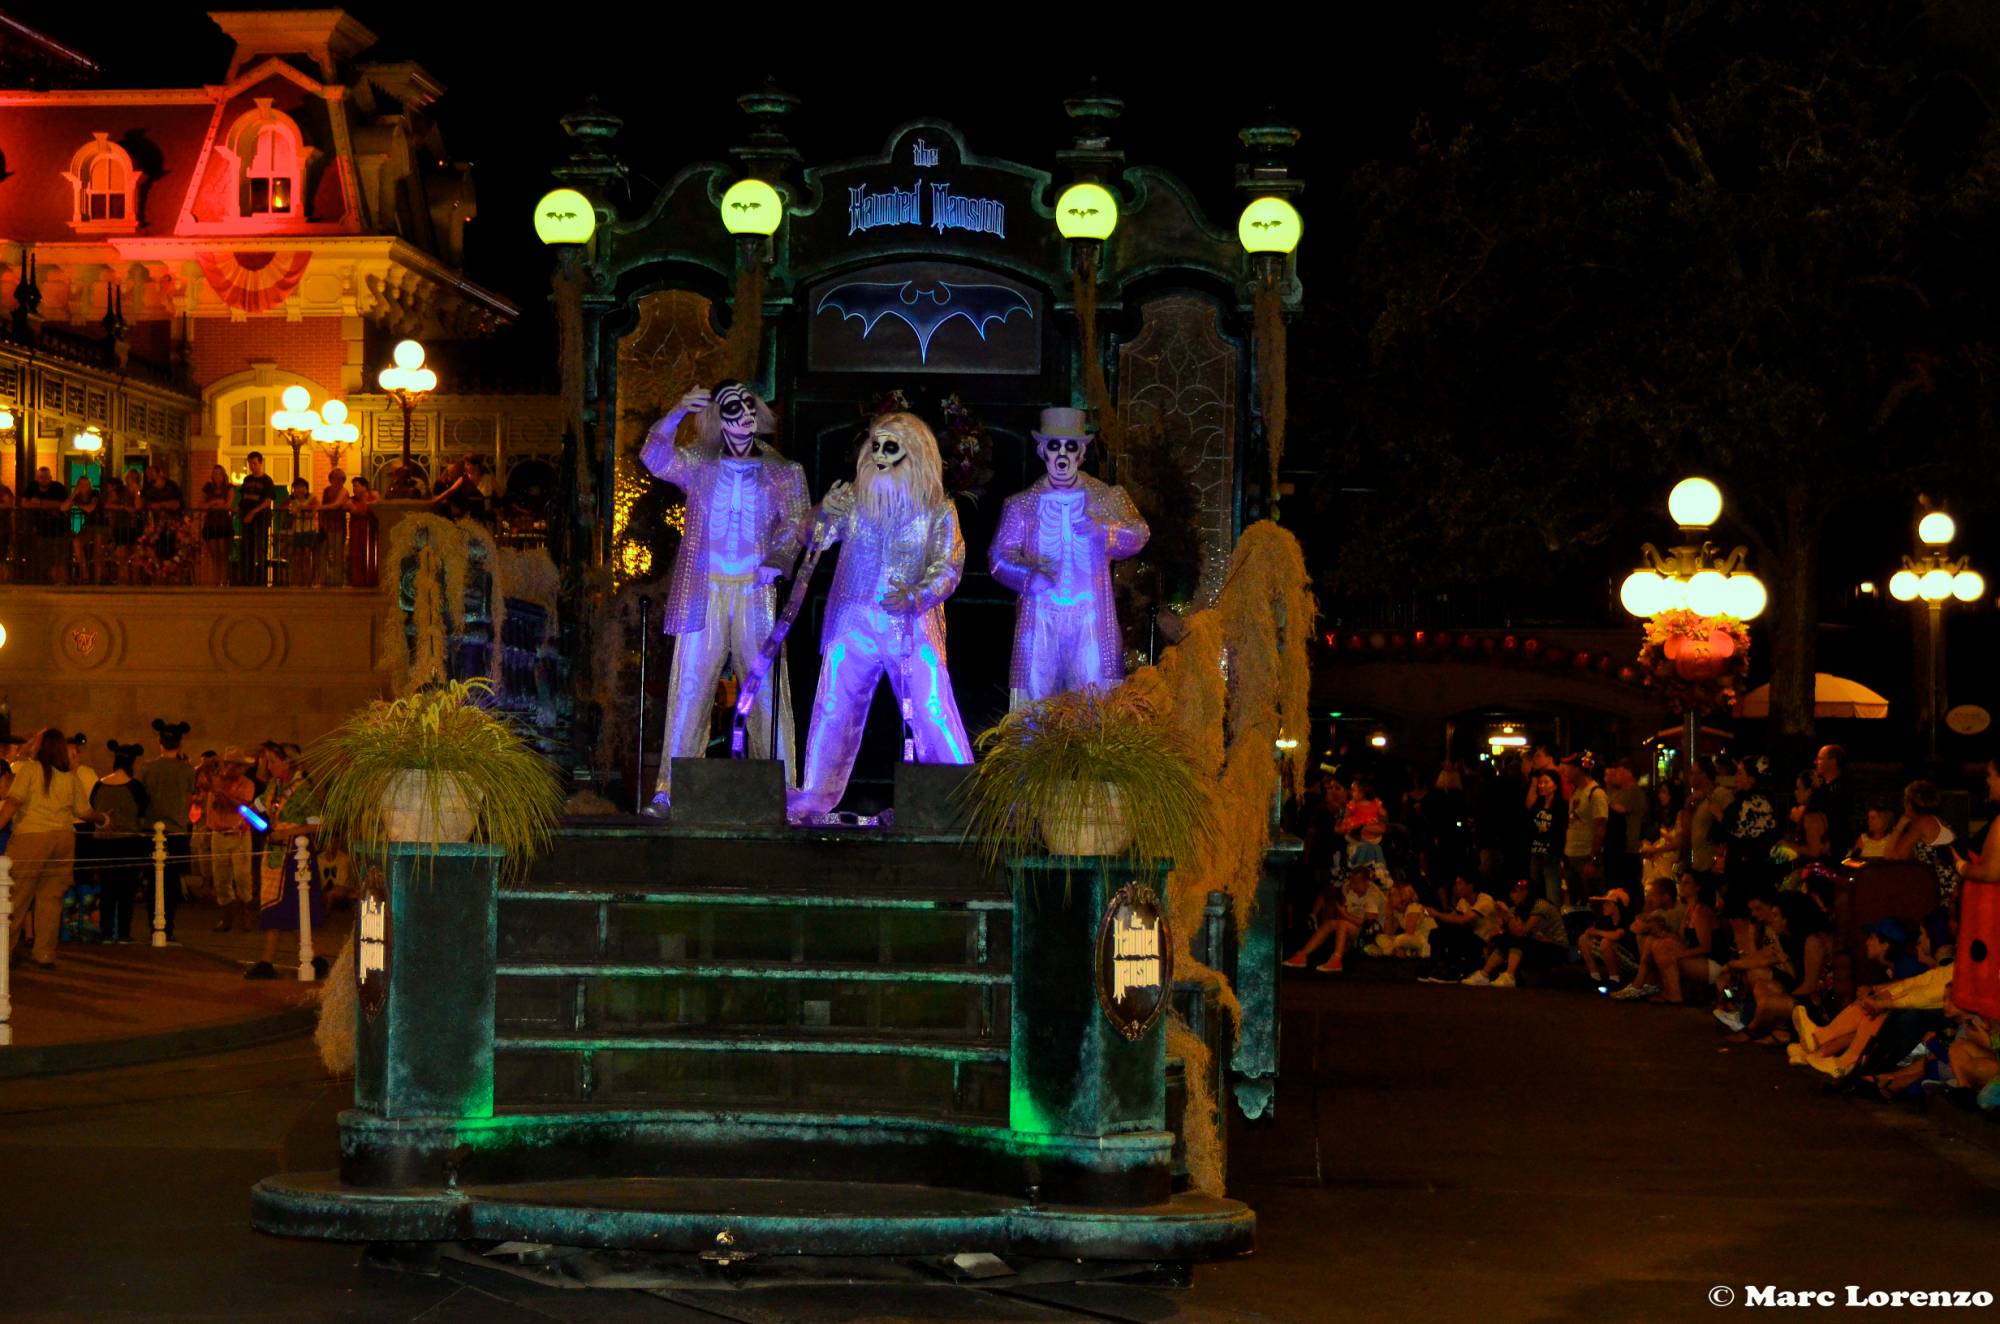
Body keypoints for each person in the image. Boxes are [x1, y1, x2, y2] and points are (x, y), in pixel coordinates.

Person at [788, 412, 973, 821]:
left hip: (911, 626)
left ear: (916, 453)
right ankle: (813, 797)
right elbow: (811, 537)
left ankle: (961, 798)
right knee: (833, 707)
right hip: (852, 622)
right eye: (874, 446)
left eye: (891, 447)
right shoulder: (854, 500)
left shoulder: (938, 509)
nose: (878, 456)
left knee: (932, 707)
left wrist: (916, 596)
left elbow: (949, 566)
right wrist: (823, 510)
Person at [636, 382, 810, 815]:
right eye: (734, 407)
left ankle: (784, 790)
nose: (745, 416)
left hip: (755, 592)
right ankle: (669, 790)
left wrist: (779, 558)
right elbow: (654, 457)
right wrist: (676, 410)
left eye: (750, 406)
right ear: (719, 416)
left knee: (768, 690)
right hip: (705, 591)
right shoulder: (699, 462)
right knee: (690, 687)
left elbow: (796, 525)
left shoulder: (783, 471)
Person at [988, 406, 1149, 708]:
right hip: (1040, 617)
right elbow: (998, 557)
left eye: (1070, 446)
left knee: (1095, 708)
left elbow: (1139, 533)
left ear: (1081, 453)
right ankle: (1029, 755)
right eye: (1054, 445)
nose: (1062, 454)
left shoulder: (1107, 498)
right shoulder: (1021, 505)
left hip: (1091, 618)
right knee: (1033, 710)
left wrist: (1105, 529)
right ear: (1042, 450)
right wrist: (1028, 577)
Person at [0, 729, 112, 968]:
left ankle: (5, 951)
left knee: (16, 898)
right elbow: (84, 812)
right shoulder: (69, 777)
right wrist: (103, 819)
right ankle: (44, 953)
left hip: (31, 837)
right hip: (63, 839)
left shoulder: (30, 769)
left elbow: (13, 802)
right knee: (51, 899)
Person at [250, 743, 326, 978]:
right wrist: (250, 820)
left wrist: (286, 833)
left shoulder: (304, 789)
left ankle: (268, 961)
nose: (269, 766)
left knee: (293, 907)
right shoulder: (275, 786)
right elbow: (255, 809)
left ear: (288, 762)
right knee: (285, 910)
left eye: (273, 761)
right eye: (267, 761)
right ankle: (313, 957)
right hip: (275, 854)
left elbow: (316, 824)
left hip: (295, 856)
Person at [1616, 873, 1724, 1003]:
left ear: (1698, 888)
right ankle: (1642, 984)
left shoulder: (1701, 911)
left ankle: (1671, 993)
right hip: (1697, 959)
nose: (1682, 886)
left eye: (1687, 883)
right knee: (1654, 941)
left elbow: (1706, 947)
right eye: (1681, 883)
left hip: (1712, 963)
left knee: (1662, 947)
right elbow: (1681, 938)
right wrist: (1664, 936)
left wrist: (1678, 954)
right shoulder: (1689, 910)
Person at [1715, 756, 1782, 954]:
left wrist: (1719, 814)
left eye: (1741, 773)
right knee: (1742, 918)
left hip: (1749, 869)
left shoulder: (1753, 801)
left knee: (1747, 918)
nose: (1737, 777)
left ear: (1752, 778)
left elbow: (1736, 830)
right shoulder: (1758, 800)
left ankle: (1751, 960)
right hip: (1747, 866)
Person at [140, 719, 196, 942]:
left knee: (152, 882)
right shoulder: (187, 770)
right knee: (171, 883)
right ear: (180, 744)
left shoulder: (147, 768)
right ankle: (168, 927)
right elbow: (189, 798)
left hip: (151, 831)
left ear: (159, 741)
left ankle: (153, 926)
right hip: (177, 831)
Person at [91, 741, 152, 943]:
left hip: (102, 843)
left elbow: (92, 807)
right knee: (126, 891)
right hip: (128, 842)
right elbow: (143, 813)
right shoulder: (135, 787)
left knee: (107, 889)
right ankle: (124, 932)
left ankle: (106, 932)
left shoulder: (99, 784)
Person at [1464, 877, 1569, 987]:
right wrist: (1503, 917)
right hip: (1539, 943)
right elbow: (1513, 932)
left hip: (1556, 947)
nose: (1511, 895)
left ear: (1525, 892)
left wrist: (1507, 913)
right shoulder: (1520, 907)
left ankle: (1509, 976)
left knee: (1517, 941)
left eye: (1514, 892)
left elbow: (1521, 932)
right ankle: (1484, 974)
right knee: (1504, 939)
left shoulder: (1541, 905)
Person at [1283, 865, 1386, 973]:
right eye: (1352, 882)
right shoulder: (1353, 892)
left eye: (1356, 882)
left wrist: (1345, 915)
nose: (1352, 885)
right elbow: (1346, 913)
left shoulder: (1373, 895)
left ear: (1366, 882)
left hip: (1373, 936)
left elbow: (1368, 924)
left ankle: (1336, 960)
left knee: (1342, 923)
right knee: (1330, 923)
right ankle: (1302, 955)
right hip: (1355, 930)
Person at [204, 747, 260, 931]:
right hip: (218, 833)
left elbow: (241, 807)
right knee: (221, 877)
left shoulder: (247, 784)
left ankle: (246, 916)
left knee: (243, 876)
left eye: (240, 767)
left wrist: (221, 792)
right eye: (233, 765)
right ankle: (227, 916)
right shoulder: (215, 780)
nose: (238, 770)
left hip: (239, 834)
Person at [1885, 780, 1962, 907]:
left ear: (1910, 804)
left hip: (1937, 893)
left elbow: (1892, 857)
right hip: (1949, 888)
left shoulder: (1922, 823)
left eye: (1905, 800)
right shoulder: (1936, 820)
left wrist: (1899, 826)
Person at [1416, 875, 1502, 982]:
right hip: (1471, 937)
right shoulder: (1463, 901)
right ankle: (1436, 965)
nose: (1456, 887)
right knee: (1437, 933)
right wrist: (1430, 913)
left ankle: (1453, 970)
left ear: (1470, 886)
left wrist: (1437, 914)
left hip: (1485, 942)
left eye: (1460, 883)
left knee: (1456, 931)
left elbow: (1463, 919)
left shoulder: (1485, 900)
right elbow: (1451, 918)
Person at [1562, 757, 1610, 908]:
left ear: (1578, 769)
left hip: (1586, 855)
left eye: (1568, 767)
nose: (1565, 772)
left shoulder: (1596, 793)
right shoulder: (1576, 792)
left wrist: (1593, 859)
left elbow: (1600, 828)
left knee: (1592, 901)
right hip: (1572, 854)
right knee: (1577, 902)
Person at [1602, 759, 1648, 894]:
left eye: (1619, 772)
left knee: (1625, 887)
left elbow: (1619, 809)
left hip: (1628, 847)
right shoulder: (1619, 792)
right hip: (1616, 847)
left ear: (1629, 773)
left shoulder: (1634, 792)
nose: (1616, 775)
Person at [1524, 768, 1566, 906]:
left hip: (1551, 853)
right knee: (1535, 888)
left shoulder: (1561, 806)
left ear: (1555, 785)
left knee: (1552, 889)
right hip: (1536, 851)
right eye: (1540, 783)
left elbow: (1560, 830)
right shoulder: (1538, 804)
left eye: (1546, 782)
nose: (1542, 785)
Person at [22, 466, 70, 583]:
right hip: (41, 529)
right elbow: (24, 503)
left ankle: (61, 580)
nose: (43, 479)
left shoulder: (58, 487)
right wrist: (46, 505)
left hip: (60, 528)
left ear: (51, 477)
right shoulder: (32, 487)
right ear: (37, 478)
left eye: (46, 477)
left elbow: (64, 504)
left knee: (59, 557)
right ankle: (49, 580)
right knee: (44, 557)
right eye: (41, 477)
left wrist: (40, 502)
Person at [1807, 745, 1857, 858]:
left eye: (1820, 758)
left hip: (1831, 849)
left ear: (1832, 761)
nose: (1815, 762)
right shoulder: (1821, 787)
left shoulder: (1843, 788)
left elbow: (1837, 817)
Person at [235, 452, 276, 585]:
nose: (252, 467)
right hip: (247, 518)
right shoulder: (247, 480)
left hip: (260, 519)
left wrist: (253, 513)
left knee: (260, 548)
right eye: (250, 464)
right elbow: (243, 497)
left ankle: (261, 579)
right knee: (247, 547)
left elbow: (267, 501)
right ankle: (247, 578)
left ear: (260, 463)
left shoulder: (267, 481)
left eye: (254, 464)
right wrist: (239, 510)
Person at [142, 464, 186, 584]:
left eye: (151, 473)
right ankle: (158, 578)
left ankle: (173, 578)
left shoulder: (171, 486)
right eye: (147, 474)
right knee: (156, 552)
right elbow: (145, 505)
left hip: (173, 526)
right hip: (155, 528)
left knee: (173, 552)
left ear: (159, 473)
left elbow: (177, 503)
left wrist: (161, 505)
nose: (149, 476)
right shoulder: (147, 489)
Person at [198, 464, 234, 586]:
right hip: (211, 522)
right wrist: (215, 503)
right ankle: (216, 580)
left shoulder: (229, 488)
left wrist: (214, 504)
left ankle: (225, 579)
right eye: (215, 474)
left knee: (223, 552)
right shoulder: (208, 488)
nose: (217, 476)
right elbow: (201, 504)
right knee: (214, 554)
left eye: (219, 473)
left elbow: (228, 504)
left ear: (223, 475)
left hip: (223, 522)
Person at [65, 474, 103, 585]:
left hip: (100, 524)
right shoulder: (77, 497)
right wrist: (73, 495)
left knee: (97, 552)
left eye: (86, 484)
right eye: (81, 484)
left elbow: (90, 508)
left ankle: (98, 580)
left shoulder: (94, 493)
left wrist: (77, 504)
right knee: (76, 541)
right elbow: (64, 507)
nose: (84, 486)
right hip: (88, 526)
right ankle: (84, 572)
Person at [109, 468, 144, 584]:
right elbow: (109, 504)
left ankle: (135, 579)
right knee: (122, 553)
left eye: (134, 478)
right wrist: (123, 508)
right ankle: (123, 579)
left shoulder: (140, 491)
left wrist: (136, 492)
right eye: (130, 477)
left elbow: (138, 507)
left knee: (135, 553)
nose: (131, 480)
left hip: (135, 526)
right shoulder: (120, 490)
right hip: (122, 525)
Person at [282, 476, 319, 586]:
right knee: (297, 556)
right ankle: (297, 581)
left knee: (307, 556)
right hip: (297, 530)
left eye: (301, 487)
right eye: (296, 487)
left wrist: (300, 509)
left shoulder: (311, 497)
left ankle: (308, 581)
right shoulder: (293, 500)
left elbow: (315, 508)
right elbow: (284, 507)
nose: (299, 490)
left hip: (308, 529)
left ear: (306, 488)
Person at [317, 468, 351, 587]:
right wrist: (321, 522)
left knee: (337, 554)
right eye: (334, 478)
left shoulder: (344, 491)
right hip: (326, 526)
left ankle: (337, 580)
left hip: (338, 526)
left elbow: (337, 504)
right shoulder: (326, 490)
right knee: (323, 553)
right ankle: (324, 579)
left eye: (340, 479)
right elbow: (324, 505)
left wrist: (321, 508)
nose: (337, 481)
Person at [346, 475, 380, 588]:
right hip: (357, 530)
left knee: (370, 553)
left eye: (356, 486)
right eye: (353, 487)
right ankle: (358, 580)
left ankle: (371, 579)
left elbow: (379, 507)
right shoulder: (352, 500)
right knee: (357, 554)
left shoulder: (373, 495)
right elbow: (355, 511)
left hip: (370, 529)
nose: (354, 489)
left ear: (364, 487)